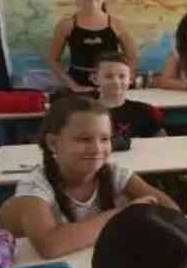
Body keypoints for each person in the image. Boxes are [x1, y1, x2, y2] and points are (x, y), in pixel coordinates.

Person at [10, 95, 177, 258]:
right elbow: (50, 246)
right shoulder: (35, 184)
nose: (97, 149)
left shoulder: (114, 173)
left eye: (104, 139)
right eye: (84, 139)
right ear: (53, 143)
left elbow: (171, 212)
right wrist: (124, 215)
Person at [46, 0, 137, 93]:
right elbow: (53, 60)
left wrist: (122, 82)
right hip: (79, 87)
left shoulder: (117, 24)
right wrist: (74, 86)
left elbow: (132, 57)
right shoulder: (66, 25)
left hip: (111, 87)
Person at [93, 51, 164, 139]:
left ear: (130, 79)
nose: (116, 81)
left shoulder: (144, 111)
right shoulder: (83, 113)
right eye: (108, 76)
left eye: (122, 76)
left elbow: (162, 142)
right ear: (95, 79)